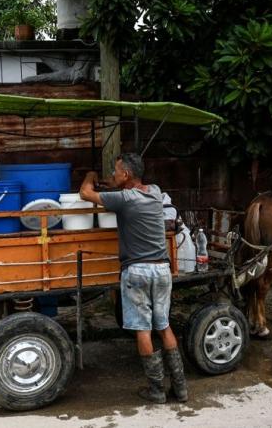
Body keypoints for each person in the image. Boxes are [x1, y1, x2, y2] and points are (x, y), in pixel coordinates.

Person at [79, 153, 188, 404]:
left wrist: (91, 176)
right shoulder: (155, 191)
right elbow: (122, 189)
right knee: (164, 326)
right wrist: (110, 184)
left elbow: (86, 193)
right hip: (161, 270)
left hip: (137, 272)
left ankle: (157, 390)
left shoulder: (125, 199)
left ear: (126, 175)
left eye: (116, 171)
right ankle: (180, 389)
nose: (113, 175)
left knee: (143, 331)